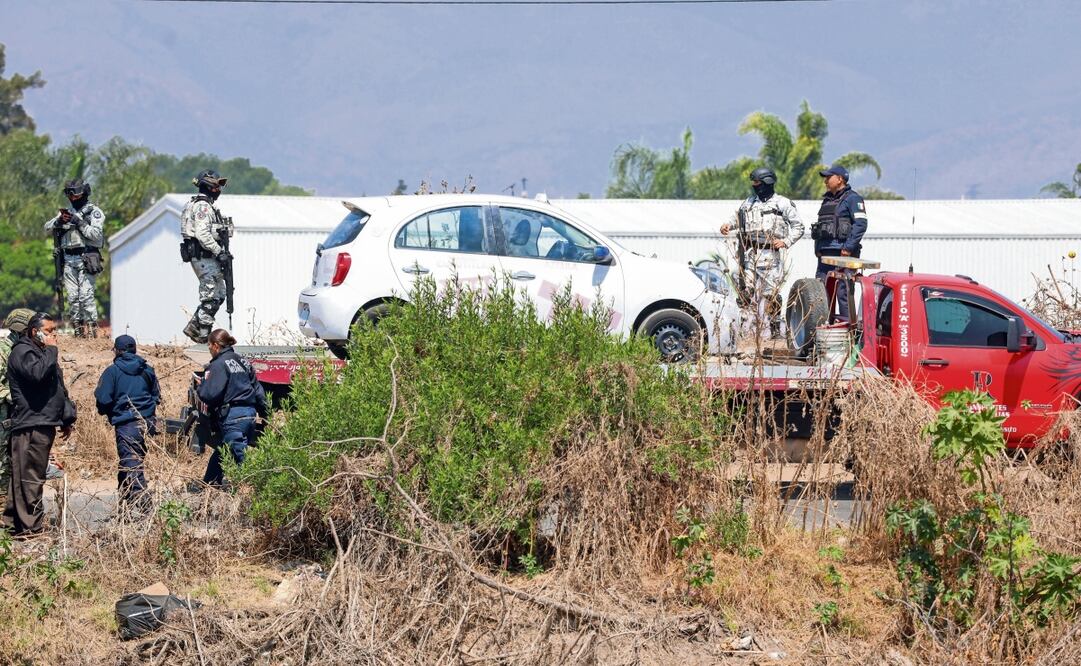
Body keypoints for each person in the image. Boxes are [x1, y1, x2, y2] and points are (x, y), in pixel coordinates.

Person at [2, 313, 76, 537]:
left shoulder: (42, 353)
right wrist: (52, 350)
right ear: (35, 332)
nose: (54, 335)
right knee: (30, 477)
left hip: (43, 422)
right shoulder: (23, 352)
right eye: (49, 331)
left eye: (55, 331)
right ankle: (30, 528)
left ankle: (14, 524)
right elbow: (38, 374)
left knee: (24, 475)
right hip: (30, 424)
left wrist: (66, 418)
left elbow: (57, 387)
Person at [720, 167, 804, 339]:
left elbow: (799, 227)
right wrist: (727, 225)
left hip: (770, 255)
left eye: (757, 182)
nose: (754, 185)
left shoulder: (782, 203)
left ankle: (775, 330)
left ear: (767, 182)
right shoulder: (748, 202)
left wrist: (786, 241)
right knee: (745, 292)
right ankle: (742, 331)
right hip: (750, 254)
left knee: (770, 295)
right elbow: (737, 219)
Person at [190, 329, 266, 491]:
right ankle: (209, 485)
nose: (209, 350)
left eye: (209, 346)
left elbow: (209, 395)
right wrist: (266, 415)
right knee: (223, 451)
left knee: (239, 456)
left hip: (233, 417)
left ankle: (258, 489)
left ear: (216, 346)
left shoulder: (218, 365)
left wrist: (201, 386)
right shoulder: (243, 362)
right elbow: (259, 391)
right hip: (249, 415)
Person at [94, 335, 161, 508]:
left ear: (117, 351)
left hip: (127, 424)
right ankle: (125, 506)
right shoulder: (147, 369)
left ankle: (146, 509)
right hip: (148, 423)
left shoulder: (112, 372)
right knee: (130, 462)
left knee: (132, 465)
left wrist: (110, 413)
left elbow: (103, 399)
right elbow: (156, 396)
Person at [44, 179, 106, 338]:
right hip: (68, 259)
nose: (72, 198)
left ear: (84, 194)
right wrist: (59, 221)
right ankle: (78, 332)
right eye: (69, 195)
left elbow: (96, 235)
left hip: (86, 257)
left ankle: (92, 332)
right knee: (72, 298)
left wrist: (79, 222)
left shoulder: (94, 212)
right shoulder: (67, 212)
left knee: (86, 296)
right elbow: (46, 227)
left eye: (75, 195)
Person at [180, 170, 232, 344]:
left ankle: (194, 328)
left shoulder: (201, 204)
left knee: (220, 294)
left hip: (208, 257)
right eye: (216, 186)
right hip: (204, 257)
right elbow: (202, 234)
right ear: (209, 186)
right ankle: (203, 336)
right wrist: (219, 252)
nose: (219, 190)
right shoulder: (202, 206)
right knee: (210, 297)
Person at [812, 164, 868, 321]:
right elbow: (820, 227)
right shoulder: (827, 200)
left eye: (829, 177)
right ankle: (824, 326)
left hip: (844, 254)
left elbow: (861, 224)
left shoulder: (853, 199)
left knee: (843, 291)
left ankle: (847, 328)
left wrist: (848, 247)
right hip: (825, 254)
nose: (825, 181)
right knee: (821, 291)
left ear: (840, 179)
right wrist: (818, 248)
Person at [0, 308, 36, 505]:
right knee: (3, 464)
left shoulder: (21, 350)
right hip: (4, 414)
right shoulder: (3, 351)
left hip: (16, 415)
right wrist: (13, 395)